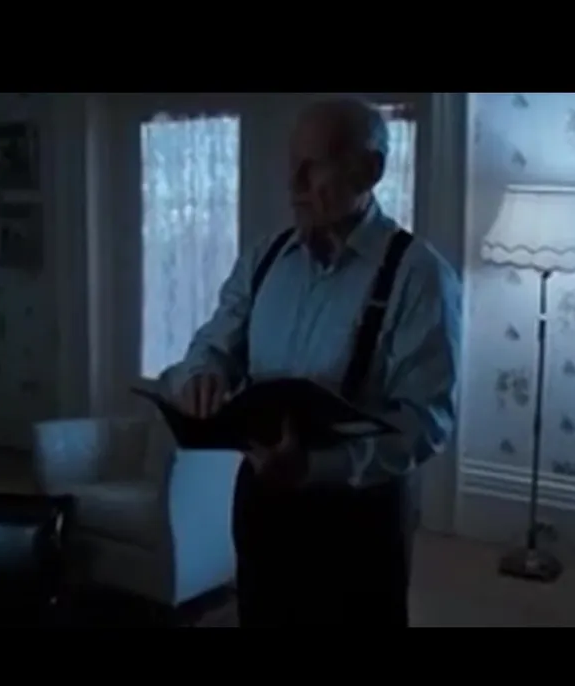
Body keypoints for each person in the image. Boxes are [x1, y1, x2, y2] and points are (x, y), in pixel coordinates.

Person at [159, 98, 461, 627]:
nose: (294, 183)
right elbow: (213, 343)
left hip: (358, 515)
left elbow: (425, 420)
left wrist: (316, 468)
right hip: (260, 500)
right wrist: (201, 373)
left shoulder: (419, 276)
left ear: (370, 170)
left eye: (313, 165)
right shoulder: (265, 257)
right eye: (291, 163)